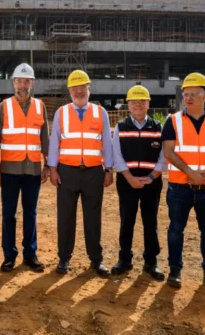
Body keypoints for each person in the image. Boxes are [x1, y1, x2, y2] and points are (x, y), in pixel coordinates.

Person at [162, 72, 205, 292]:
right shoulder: (173, 121)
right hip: (179, 188)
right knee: (176, 229)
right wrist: (190, 172)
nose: (189, 98)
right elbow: (169, 152)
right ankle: (175, 271)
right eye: (186, 94)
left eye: (194, 94)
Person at [47, 70, 113, 276]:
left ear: (89, 89)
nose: (79, 91)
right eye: (75, 88)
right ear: (69, 91)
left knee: (93, 218)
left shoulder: (100, 113)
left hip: (93, 172)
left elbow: (107, 144)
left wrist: (109, 169)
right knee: (65, 217)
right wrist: (53, 169)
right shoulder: (61, 113)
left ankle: (96, 259)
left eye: (82, 87)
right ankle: (64, 258)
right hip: (67, 173)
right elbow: (55, 143)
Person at [0, 63, 50, 272]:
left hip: (33, 170)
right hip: (9, 170)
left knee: (31, 213)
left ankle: (30, 254)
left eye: (27, 81)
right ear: (13, 83)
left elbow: (44, 137)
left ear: (32, 83)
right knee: (8, 214)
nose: (23, 85)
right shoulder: (3, 107)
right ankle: (9, 255)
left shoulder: (40, 106)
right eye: (19, 80)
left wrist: (47, 164)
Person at [111, 85, 167, 280]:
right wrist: (130, 178)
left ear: (148, 104)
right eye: (134, 102)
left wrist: (152, 177)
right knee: (127, 220)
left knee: (150, 222)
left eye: (141, 102)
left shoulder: (158, 127)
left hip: (152, 182)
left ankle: (151, 262)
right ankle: (124, 259)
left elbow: (164, 156)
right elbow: (116, 156)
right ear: (128, 104)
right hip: (127, 181)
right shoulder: (121, 126)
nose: (138, 105)